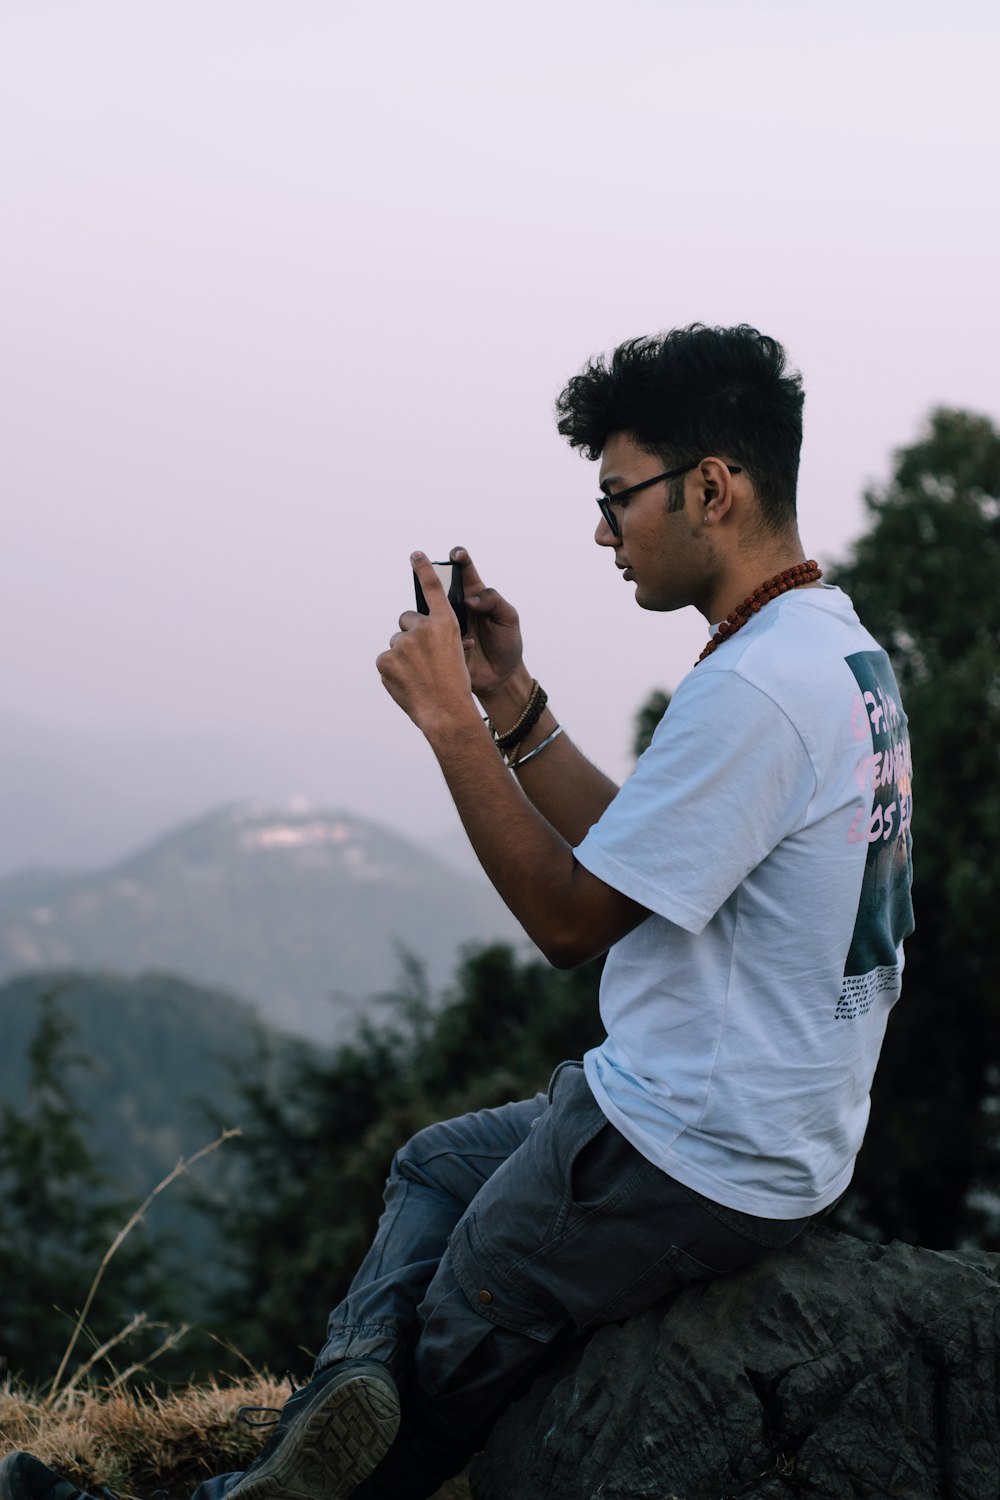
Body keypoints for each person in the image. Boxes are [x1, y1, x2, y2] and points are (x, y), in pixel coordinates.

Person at [1, 324, 914, 1500]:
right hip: (758, 1131)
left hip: (685, 1153)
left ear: (711, 488)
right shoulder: (830, 651)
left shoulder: (755, 686)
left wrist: (444, 723)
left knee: (441, 1361)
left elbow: (570, 921)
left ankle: (308, 1458)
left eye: (616, 497)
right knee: (434, 1167)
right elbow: (649, 852)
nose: (602, 532)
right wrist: (508, 699)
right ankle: (337, 1403)